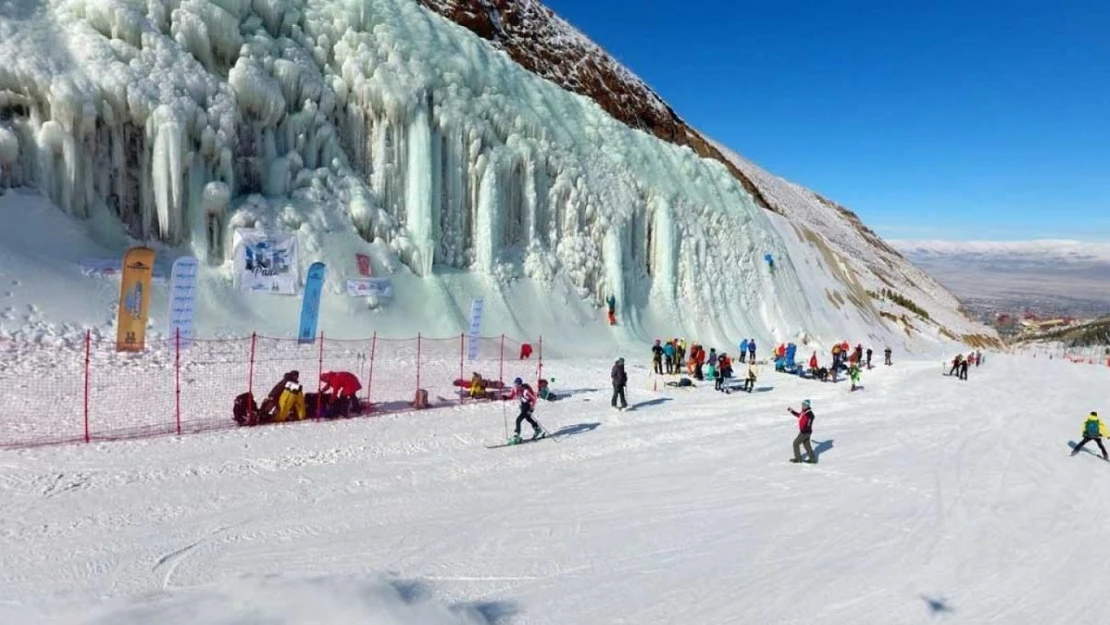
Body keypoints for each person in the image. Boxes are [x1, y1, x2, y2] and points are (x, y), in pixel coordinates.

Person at [507, 378, 542, 444]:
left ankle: (517, 434)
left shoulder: (525, 391)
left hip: (528, 405)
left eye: (517, 385)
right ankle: (537, 429)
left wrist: (531, 408)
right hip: (523, 405)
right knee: (528, 418)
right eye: (515, 384)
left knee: (518, 420)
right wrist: (506, 397)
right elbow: (511, 396)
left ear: (520, 385)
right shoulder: (515, 389)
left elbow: (534, 399)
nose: (516, 386)